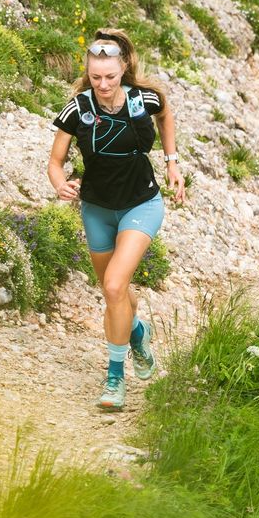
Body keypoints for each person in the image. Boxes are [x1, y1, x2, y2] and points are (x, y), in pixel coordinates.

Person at [47, 28, 185, 410]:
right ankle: (137, 332)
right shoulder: (78, 109)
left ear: (123, 69)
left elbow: (166, 113)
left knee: (112, 286)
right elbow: (55, 162)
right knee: (116, 293)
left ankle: (114, 379)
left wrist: (173, 163)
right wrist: (61, 185)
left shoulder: (145, 98)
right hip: (96, 208)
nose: (103, 85)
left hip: (143, 203)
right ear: (88, 74)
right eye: (96, 78)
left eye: (110, 77)